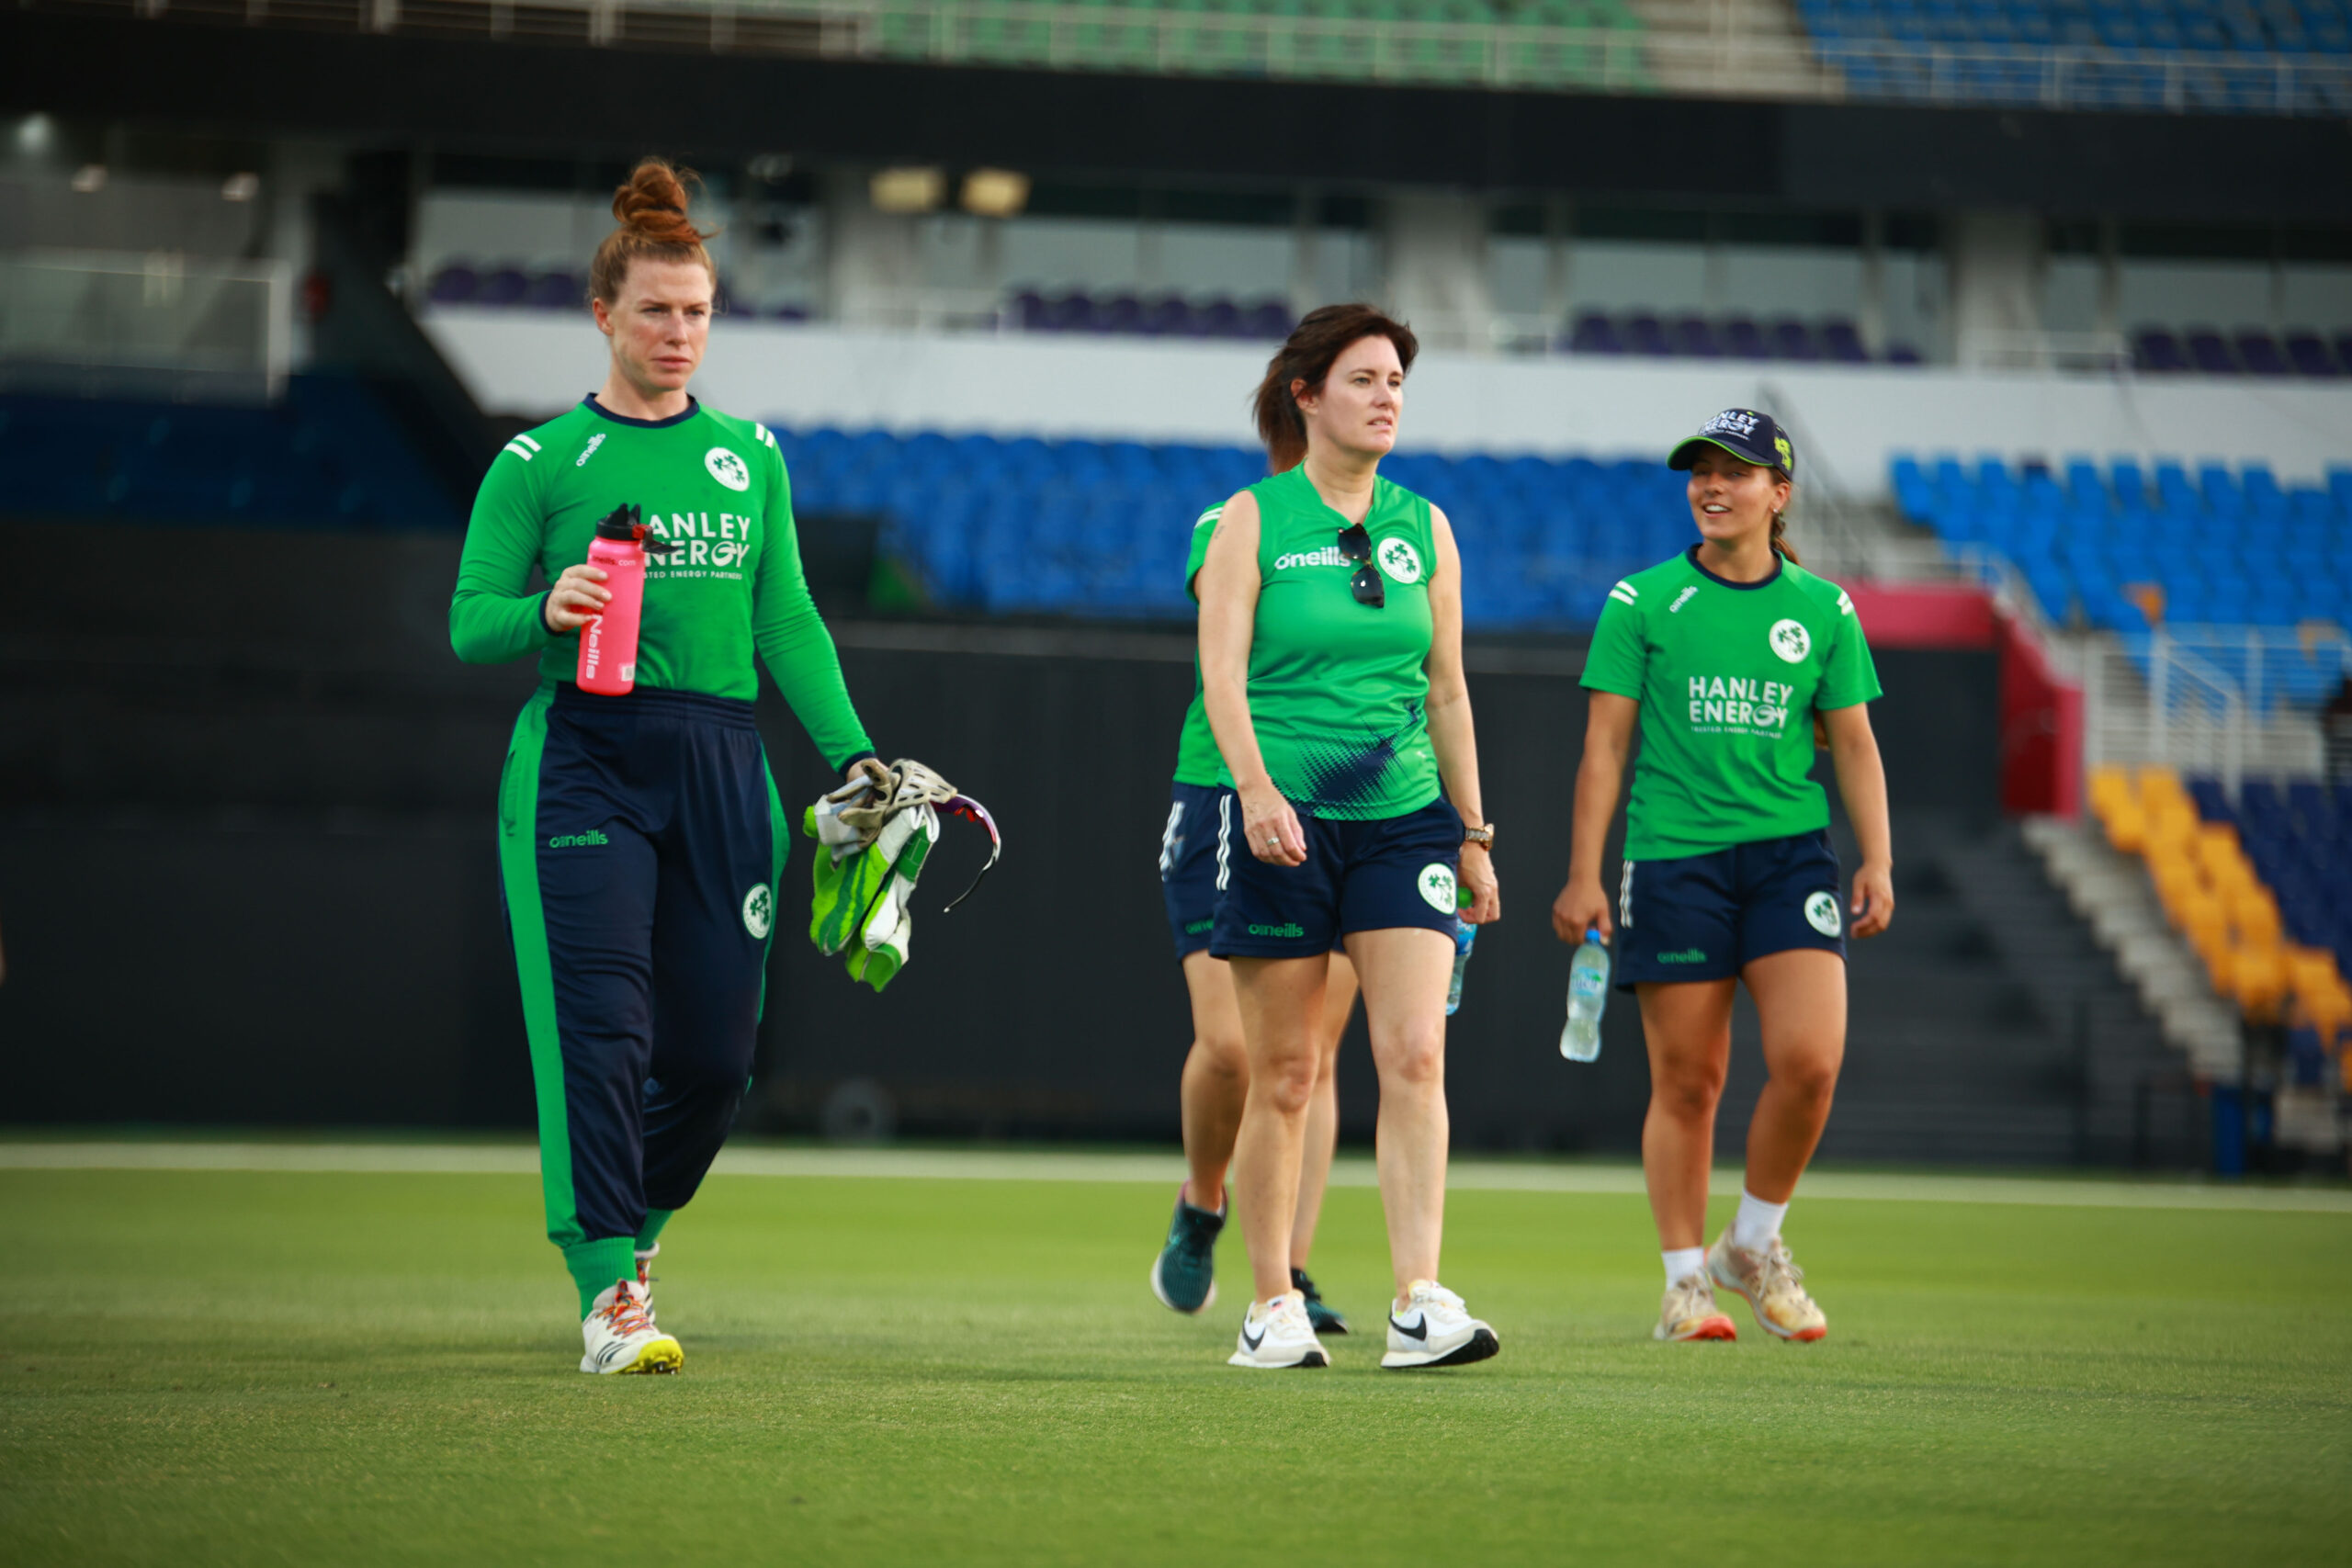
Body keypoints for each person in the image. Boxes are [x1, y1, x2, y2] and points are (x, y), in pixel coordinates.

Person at [450, 159, 886, 1375]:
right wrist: (549, 604)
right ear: (604, 313)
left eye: (697, 310)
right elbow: (469, 621)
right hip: (583, 758)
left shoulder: (752, 455)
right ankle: (606, 1291)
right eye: (656, 309)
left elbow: (787, 622)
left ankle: (634, 1241)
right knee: (602, 1031)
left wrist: (855, 753)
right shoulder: (540, 462)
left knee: (712, 1055)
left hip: (720, 760)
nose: (679, 331)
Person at [1193, 303, 1501, 1371]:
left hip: (1404, 817)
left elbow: (1449, 690)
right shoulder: (1252, 518)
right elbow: (1219, 679)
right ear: (1307, 396)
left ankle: (1418, 1297)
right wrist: (1255, 790)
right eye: (1364, 379)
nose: (1386, 398)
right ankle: (1269, 1300)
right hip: (1286, 819)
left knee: (1416, 1053)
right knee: (1283, 1072)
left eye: (1397, 383)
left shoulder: (1427, 525)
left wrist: (1473, 834)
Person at [1549, 408, 1893, 1345]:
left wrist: (1879, 856)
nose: (1711, 486)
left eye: (1735, 474)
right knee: (1690, 1082)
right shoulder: (1642, 601)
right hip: (1674, 858)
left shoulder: (1823, 609)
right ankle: (1683, 1285)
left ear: (1779, 495)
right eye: (1699, 472)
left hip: (1789, 857)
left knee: (1810, 1063)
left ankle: (1752, 1241)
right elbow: (1602, 749)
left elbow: (1854, 745)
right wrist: (1583, 874)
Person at [1151, 501, 1360, 1337]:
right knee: (1235, 1048)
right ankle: (1204, 1198)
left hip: (1352, 797)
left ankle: (1290, 1272)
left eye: (1390, 381)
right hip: (1224, 792)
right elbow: (1229, 633)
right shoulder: (1235, 521)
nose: (1379, 398)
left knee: (1311, 1056)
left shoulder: (1395, 530)